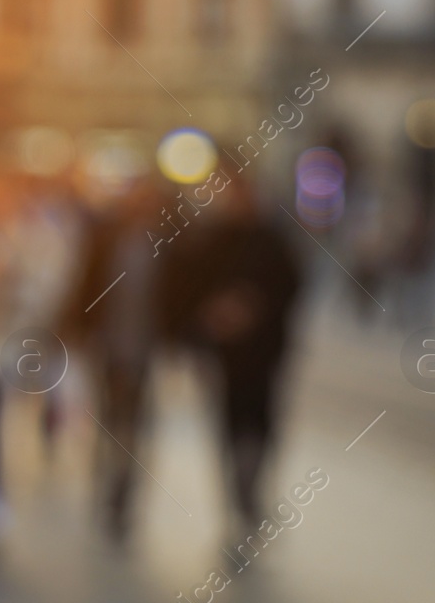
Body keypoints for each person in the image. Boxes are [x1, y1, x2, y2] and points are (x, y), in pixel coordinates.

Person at [160, 171, 300, 523]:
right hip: (225, 356)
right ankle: (237, 493)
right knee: (228, 424)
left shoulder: (272, 239)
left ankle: (251, 486)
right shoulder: (212, 239)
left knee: (260, 424)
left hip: (264, 355)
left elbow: (290, 287)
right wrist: (209, 319)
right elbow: (185, 288)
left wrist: (253, 307)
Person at [72, 177, 163, 541]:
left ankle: (124, 490)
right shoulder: (107, 240)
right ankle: (107, 482)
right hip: (108, 347)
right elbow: (87, 284)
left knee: (133, 425)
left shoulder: (165, 244)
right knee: (109, 421)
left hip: (143, 351)